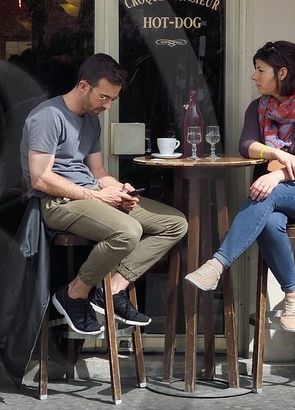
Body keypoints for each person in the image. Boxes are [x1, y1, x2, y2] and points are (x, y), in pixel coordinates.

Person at [23, 53, 188, 336]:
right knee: (128, 231)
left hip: (91, 194)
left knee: (175, 223)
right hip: (57, 202)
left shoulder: (91, 120)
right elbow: (41, 179)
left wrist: (118, 188)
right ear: (84, 86)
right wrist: (98, 197)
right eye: (104, 97)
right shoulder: (47, 117)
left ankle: (111, 289)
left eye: (113, 99)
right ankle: (75, 293)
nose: (108, 106)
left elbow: (98, 171)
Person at [183, 41, 295, 331]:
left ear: (282, 73)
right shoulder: (258, 108)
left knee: (269, 190)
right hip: (277, 197)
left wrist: (274, 176)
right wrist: (277, 154)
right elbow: (246, 145)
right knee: (268, 222)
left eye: (260, 70)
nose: (254, 77)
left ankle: (216, 265)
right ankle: (293, 292)